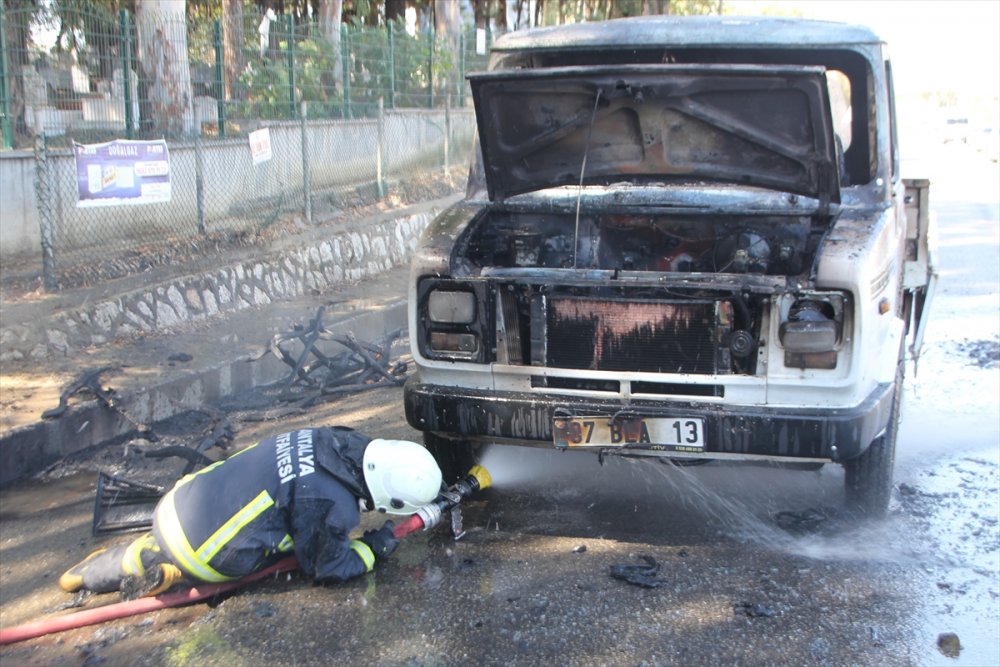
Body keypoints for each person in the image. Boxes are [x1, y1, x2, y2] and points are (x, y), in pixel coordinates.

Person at [59, 426, 442, 599]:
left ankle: (119, 563)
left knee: (280, 502)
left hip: (179, 502)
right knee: (303, 540)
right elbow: (328, 567)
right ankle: (173, 569)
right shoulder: (329, 505)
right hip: (206, 554)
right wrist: (372, 550)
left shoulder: (332, 437)